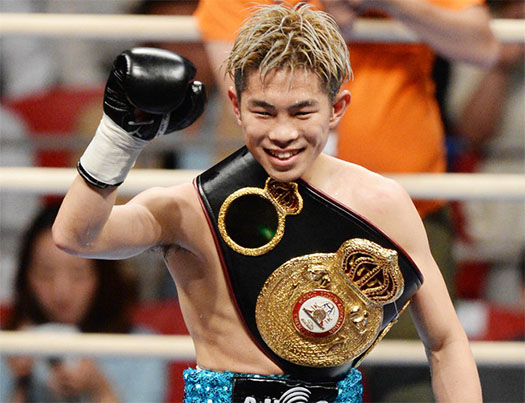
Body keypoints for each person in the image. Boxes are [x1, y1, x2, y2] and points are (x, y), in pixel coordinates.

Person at [53, 4, 481, 401]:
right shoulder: (193, 208)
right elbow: (76, 237)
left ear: (337, 108)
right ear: (236, 105)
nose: (282, 133)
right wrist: (120, 137)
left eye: (301, 112)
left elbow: (446, 342)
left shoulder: (383, 204)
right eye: (264, 112)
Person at [194, 0, 500, 312]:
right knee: (275, 335)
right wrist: (323, 24)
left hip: (411, 211)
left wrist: (390, 2)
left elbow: (484, 48)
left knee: (416, 340)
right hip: (280, 217)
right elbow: (252, 103)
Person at [1, 203, 167, 403]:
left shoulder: (143, 348)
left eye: (78, 274)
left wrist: (99, 388)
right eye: (45, 274)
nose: (61, 291)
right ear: (25, 277)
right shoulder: (9, 346)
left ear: (103, 275)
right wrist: (21, 383)